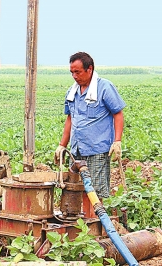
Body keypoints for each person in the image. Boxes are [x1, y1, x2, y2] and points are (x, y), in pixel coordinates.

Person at [54, 52, 125, 201]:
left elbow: (118, 114)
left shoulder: (104, 87)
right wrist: (62, 145)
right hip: (76, 150)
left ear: (89, 69)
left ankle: (93, 222)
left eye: (77, 72)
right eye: (72, 72)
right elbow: (70, 119)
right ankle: (80, 221)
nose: (74, 76)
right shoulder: (72, 92)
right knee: (74, 190)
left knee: (94, 193)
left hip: (96, 150)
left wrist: (117, 141)